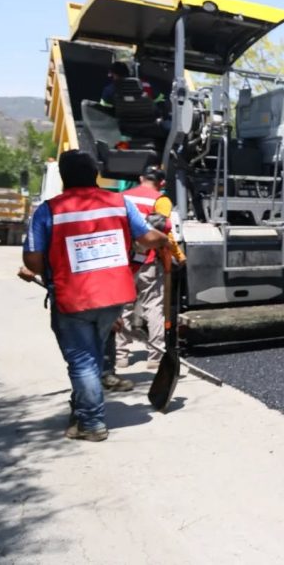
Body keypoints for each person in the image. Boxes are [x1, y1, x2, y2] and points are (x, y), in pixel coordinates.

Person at [21, 150, 167, 442]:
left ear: (64, 178)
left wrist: (45, 265)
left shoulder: (49, 210)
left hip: (73, 299)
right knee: (92, 355)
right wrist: (163, 239)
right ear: (95, 176)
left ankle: (91, 422)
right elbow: (148, 237)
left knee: (82, 361)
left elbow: (33, 262)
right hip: (114, 298)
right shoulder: (118, 203)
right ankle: (81, 410)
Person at [115, 164, 187, 372]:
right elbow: (165, 234)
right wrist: (179, 256)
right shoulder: (161, 200)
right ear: (162, 183)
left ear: (141, 178)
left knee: (123, 308)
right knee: (153, 307)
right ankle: (155, 357)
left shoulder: (121, 197)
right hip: (148, 262)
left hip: (123, 262)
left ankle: (121, 356)